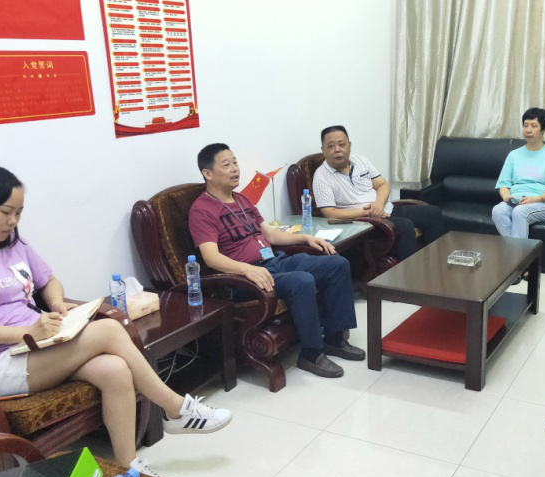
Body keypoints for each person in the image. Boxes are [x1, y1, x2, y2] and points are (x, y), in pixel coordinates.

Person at [0, 166, 232, 475]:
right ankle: (176, 409)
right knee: (109, 329)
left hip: (35, 346)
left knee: (115, 369)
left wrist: (56, 303)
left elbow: (49, 280)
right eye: (5, 212)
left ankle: (129, 469)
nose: (13, 222)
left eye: (19, 213)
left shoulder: (12, 243)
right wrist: (26, 332)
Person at [189, 143, 362, 379]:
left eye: (235, 162)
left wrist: (306, 238)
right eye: (226, 165)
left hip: (275, 262)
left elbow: (270, 235)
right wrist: (246, 269)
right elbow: (211, 257)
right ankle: (311, 354)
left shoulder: (241, 200)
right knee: (302, 280)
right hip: (246, 278)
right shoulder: (202, 210)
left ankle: (334, 339)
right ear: (207, 173)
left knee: (337, 264)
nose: (235, 169)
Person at [313, 125, 446, 260]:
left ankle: (439, 262)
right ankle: (410, 272)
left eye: (342, 144)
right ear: (323, 150)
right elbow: (329, 213)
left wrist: (378, 204)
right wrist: (367, 212)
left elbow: (382, 184)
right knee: (405, 225)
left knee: (433, 213)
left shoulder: (360, 160)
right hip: (363, 224)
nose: (337, 150)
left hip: (386, 210)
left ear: (350, 145)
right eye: (331, 146)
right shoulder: (321, 177)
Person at [491, 107, 545, 239]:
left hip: (543, 202)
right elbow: (504, 185)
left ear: (543, 129)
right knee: (498, 210)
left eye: (534, 126)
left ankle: (515, 251)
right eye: (525, 125)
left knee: (519, 212)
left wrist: (536, 199)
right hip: (516, 200)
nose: (528, 130)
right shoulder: (513, 155)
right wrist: (506, 197)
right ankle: (517, 250)